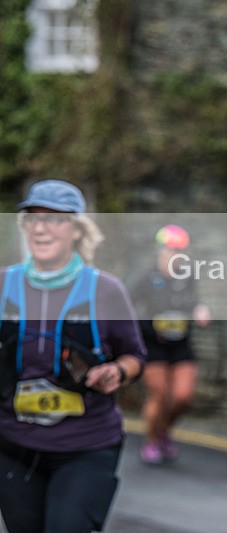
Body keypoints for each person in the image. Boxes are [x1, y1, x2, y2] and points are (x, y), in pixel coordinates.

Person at [0, 179, 146, 533]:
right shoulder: (3, 284)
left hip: (86, 447)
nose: (42, 228)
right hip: (13, 445)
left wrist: (116, 371)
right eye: (33, 218)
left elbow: (135, 356)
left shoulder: (106, 290)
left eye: (55, 219)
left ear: (78, 230)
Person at [134, 224, 211, 464]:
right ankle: (151, 441)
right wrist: (151, 328)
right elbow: (127, 308)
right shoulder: (145, 278)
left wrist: (199, 310)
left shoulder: (186, 278)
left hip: (181, 344)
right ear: (160, 252)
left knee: (183, 396)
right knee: (159, 395)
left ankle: (163, 430)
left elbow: (193, 302)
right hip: (153, 345)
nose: (175, 257)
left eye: (179, 252)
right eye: (170, 251)